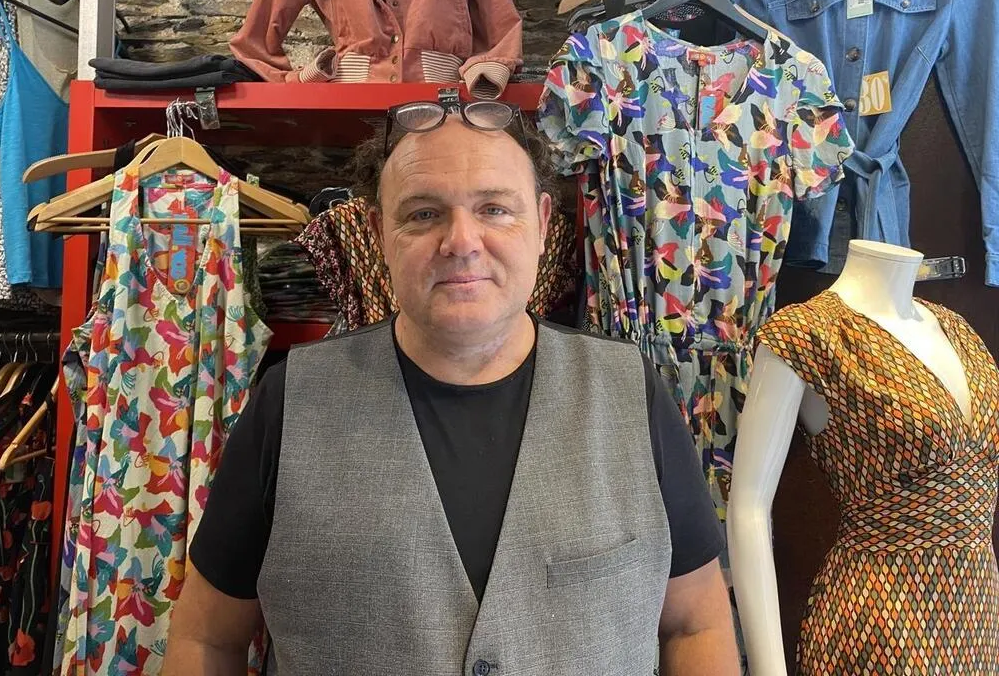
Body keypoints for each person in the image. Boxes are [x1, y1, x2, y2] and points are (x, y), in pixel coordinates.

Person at [164, 93, 739, 676]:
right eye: (423, 214)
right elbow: (206, 640)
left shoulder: (631, 395)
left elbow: (696, 625)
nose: (461, 241)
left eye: (494, 208)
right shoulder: (289, 404)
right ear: (378, 233)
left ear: (543, 224)